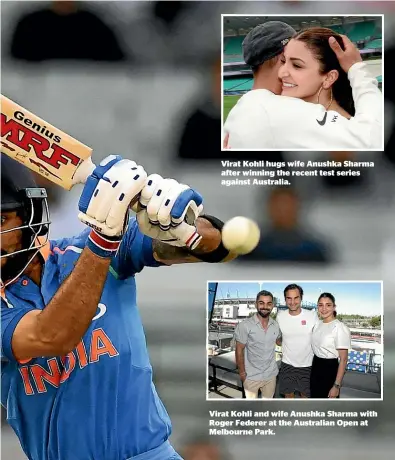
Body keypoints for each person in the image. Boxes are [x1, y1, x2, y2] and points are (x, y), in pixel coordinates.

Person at [0, 153, 235, 460]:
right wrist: (103, 241)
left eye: (2, 220)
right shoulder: (98, 247)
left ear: (30, 213)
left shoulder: (85, 250)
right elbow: (51, 335)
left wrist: (181, 223)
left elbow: (219, 246)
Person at [223, 21, 382, 150]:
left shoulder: (237, 114)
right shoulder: (283, 111)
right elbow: (373, 138)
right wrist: (357, 69)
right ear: (282, 57)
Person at [234, 290, 281, 399]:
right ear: (256, 304)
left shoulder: (275, 325)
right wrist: (242, 373)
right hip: (251, 376)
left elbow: (279, 341)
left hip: (271, 375)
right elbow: (239, 350)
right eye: (261, 303)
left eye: (269, 303)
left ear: (272, 305)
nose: (265, 306)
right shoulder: (245, 325)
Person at [276, 284, 319, 398]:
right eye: (289, 298)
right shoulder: (280, 316)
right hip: (287, 365)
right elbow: (278, 339)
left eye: (296, 298)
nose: (292, 302)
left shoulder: (312, 315)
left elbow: (320, 338)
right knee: (288, 397)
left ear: (301, 298)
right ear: (285, 299)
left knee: (305, 399)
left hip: (307, 365)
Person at [310, 293, 351, 399]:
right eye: (320, 305)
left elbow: (343, 359)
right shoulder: (317, 324)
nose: (324, 309)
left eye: (328, 305)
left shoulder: (339, 327)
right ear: (317, 306)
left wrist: (336, 386)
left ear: (334, 307)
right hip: (315, 366)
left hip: (330, 369)